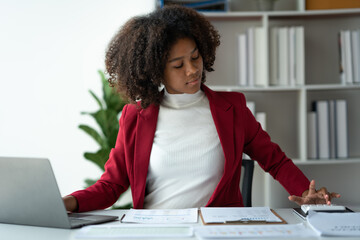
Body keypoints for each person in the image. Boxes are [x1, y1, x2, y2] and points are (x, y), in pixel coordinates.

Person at [63, 5, 340, 212]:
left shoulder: (232, 108)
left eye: (195, 57)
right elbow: (111, 185)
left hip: (217, 231)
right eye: (178, 65)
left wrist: (306, 192)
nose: (193, 69)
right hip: (157, 231)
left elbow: (274, 160)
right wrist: (71, 203)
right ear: (156, 70)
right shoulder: (135, 117)